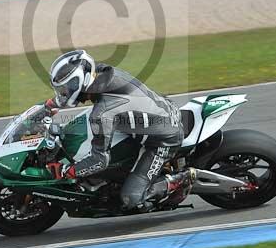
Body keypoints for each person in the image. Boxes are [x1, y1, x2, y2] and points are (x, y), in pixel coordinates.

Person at [45, 50, 194, 212]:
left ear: (78, 83)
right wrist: (49, 106)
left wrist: (69, 171)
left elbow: (100, 160)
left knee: (131, 198)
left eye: (66, 88)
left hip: (164, 139)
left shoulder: (102, 113)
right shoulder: (103, 72)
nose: (63, 93)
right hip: (160, 110)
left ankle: (182, 178)